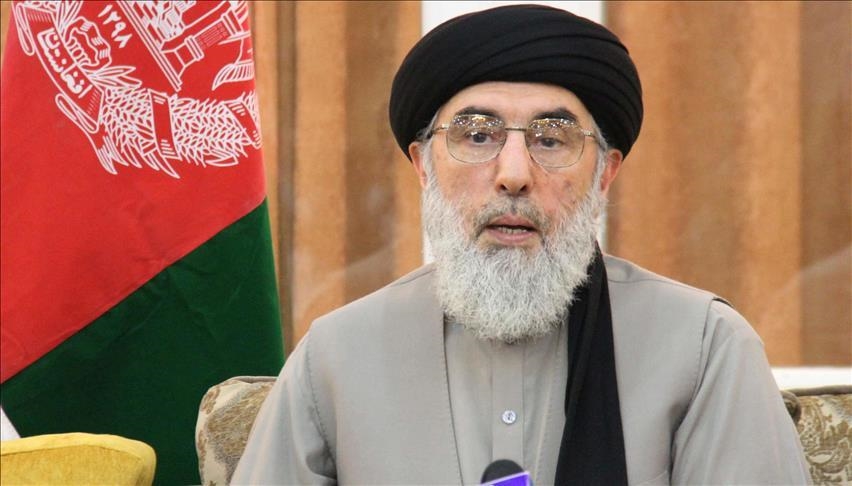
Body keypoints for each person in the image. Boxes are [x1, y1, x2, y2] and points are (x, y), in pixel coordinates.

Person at [232, 5, 810, 485]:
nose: (513, 174)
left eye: (552, 140)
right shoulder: (337, 356)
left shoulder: (704, 348)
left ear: (604, 174)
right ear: (423, 165)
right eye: (477, 135)